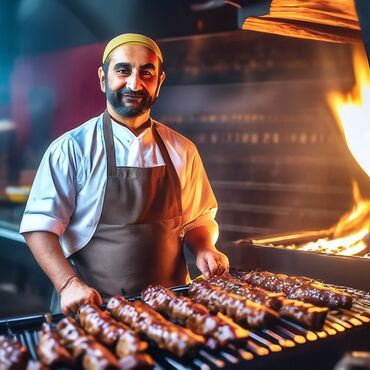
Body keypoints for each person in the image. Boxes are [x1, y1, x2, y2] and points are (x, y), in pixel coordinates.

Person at [20, 33, 229, 315]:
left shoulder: (183, 150)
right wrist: (67, 283)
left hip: (171, 312)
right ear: (103, 78)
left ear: (160, 82)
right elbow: (40, 227)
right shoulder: (72, 148)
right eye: (123, 70)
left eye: (146, 73)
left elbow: (197, 219)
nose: (135, 83)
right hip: (93, 312)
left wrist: (204, 248)